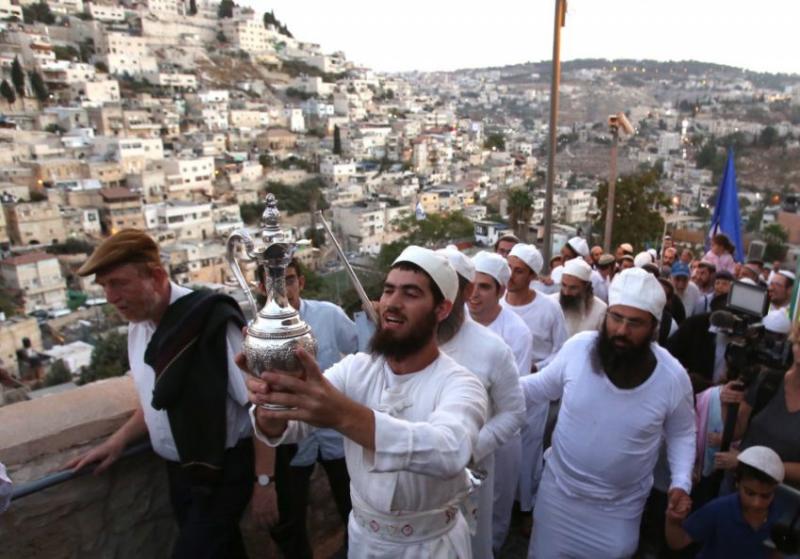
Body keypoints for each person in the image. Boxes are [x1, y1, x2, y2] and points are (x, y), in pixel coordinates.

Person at [247, 246, 489, 558]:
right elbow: (295, 422)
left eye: (411, 293)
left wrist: (343, 415)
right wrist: (271, 408)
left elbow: (448, 450)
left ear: (441, 309)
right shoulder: (357, 369)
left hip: (431, 547)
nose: (392, 303)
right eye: (388, 291)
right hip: (364, 543)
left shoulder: (461, 383)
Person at [64, 229, 274, 559]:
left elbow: (261, 406)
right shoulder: (138, 329)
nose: (110, 296)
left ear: (157, 276)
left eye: (119, 283)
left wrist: (264, 481)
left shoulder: (211, 320)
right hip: (182, 473)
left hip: (224, 470)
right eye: (104, 286)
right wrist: (118, 440)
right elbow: (156, 402)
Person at [520, 267, 696, 557]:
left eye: (635, 323)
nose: (622, 331)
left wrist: (681, 482)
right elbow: (539, 388)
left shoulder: (672, 377)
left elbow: (682, 432)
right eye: (616, 318)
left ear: (654, 326)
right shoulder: (578, 349)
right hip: (558, 499)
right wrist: (489, 387)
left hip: (618, 512)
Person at [260, 260, 358, 559]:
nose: (283, 289)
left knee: (354, 507)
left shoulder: (328, 315)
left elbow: (361, 352)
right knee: (289, 523)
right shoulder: (258, 333)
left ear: (300, 282)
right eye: (273, 282)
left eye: (288, 279)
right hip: (292, 442)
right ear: (262, 288)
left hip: (336, 435)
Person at [435, 246, 525, 558]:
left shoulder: (492, 348)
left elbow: (514, 413)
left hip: (471, 476)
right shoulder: (406, 339)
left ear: (465, 291)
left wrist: (472, 448)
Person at [500, 243, 568, 534]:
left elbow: (561, 350)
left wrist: (538, 369)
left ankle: (526, 507)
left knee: (528, 454)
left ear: (532, 276)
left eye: (519, 271)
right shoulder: (495, 303)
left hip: (535, 393)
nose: (511, 276)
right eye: (509, 269)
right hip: (499, 392)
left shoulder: (549, 308)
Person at [468, 251, 534, 550]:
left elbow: (511, 392)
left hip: (501, 434)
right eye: (471, 285)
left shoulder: (517, 331)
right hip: (463, 428)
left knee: (496, 505)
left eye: (484, 286)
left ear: (501, 291)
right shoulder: (457, 322)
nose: (474, 294)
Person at [666, 446, 785, 559]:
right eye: (750, 493)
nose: (756, 503)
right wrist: (673, 521)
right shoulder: (719, 509)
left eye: (765, 496)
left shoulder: (779, 515)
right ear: (737, 483)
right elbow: (678, 541)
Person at [549, 258, 606, 337]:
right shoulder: (551, 302)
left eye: (573, 288)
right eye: (564, 285)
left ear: (586, 286)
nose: (566, 292)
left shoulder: (600, 310)